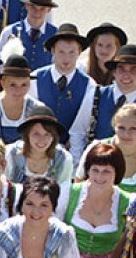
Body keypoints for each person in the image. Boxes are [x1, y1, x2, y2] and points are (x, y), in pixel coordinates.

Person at [78, 102, 136, 206]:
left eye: (133, 129)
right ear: (114, 127)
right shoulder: (96, 148)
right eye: (121, 128)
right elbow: (78, 185)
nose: (126, 134)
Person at [30, 23, 95, 160]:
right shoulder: (35, 78)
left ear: (79, 52)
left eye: (72, 52)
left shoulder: (89, 85)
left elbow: (80, 129)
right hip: (37, 150)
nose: (66, 59)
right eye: (61, 52)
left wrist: (73, 159)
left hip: (69, 151)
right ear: (53, 51)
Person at [86, 44, 136, 155]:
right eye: (121, 69)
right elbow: (78, 131)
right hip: (97, 166)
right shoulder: (95, 95)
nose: (126, 75)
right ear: (114, 72)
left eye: (133, 70)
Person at [0, 55, 39, 144]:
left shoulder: (37, 110)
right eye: (12, 85)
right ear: (2, 83)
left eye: (24, 85)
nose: (18, 91)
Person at [4, 104, 74, 186]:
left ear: (53, 136)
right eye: (36, 134)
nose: (42, 140)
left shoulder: (64, 159)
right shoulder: (9, 154)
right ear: (27, 135)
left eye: (47, 134)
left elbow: (63, 191)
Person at [0, 0, 58, 70]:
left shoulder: (56, 35)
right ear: (26, 6)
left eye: (42, 9)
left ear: (49, 10)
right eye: (33, 7)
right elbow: (0, 64)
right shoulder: (9, 31)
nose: (37, 12)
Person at [82, 22, 127, 87]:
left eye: (109, 46)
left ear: (117, 47)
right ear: (94, 46)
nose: (104, 50)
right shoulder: (82, 69)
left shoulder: (125, 72)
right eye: (100, 45)